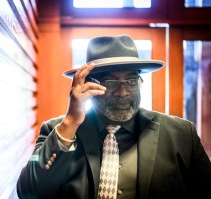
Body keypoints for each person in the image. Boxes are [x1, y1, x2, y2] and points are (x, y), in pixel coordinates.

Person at [16, 35, 211, 199]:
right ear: (89, 86)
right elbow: (28, 191)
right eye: (110, 82)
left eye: (131, 80)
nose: (123, 91)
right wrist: (71, 121)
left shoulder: (181, 135)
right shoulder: (58, 131)